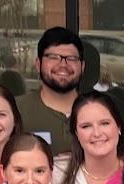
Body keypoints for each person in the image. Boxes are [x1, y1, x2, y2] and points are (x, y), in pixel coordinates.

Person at [53, 91, 124, 184]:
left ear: (119, 127)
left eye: (105, 123)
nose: (97, 133)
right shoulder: (56, 172)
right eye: (86, 126)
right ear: (76, 133)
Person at [16, 27, 86, 155]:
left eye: (71, 58)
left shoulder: (100, 111)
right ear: (38, 64)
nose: (63, 65)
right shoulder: (14, 111)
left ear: (82, 66)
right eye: (53, 57)